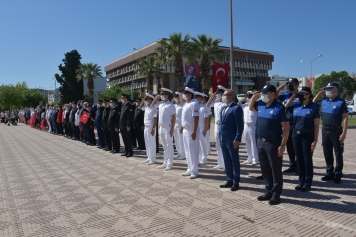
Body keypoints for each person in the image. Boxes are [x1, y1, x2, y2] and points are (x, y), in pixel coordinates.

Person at [249, 85, 289, 205]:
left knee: (275, 169)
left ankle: (276, 194)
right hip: (261, 140)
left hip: (273, 142)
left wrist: (282, 145)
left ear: (273, 94)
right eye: (262, 93)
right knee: (265, 168)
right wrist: (253, 98)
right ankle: (268, 190)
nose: (263, 95)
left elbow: (286, 128)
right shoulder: (260, 104)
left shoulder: (279, 108)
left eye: (265, 93)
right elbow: (251, 108)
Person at [285, 86, 320, 191]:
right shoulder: (296, 106)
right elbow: (284, 109)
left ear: (308, 95)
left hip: (307, 135)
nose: (299, 96)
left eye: (302, 94)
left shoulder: (314, 107)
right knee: (299, 159)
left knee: (307, 159)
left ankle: (307, 182)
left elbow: (316, 125)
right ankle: (301, 181)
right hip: (296, 135)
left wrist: (315, 140)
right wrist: (290, 100)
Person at [313, 82, 349, 184]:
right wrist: (319, 94)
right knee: (327, 152)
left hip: (336, 130)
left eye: (330, 89)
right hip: (325, 130)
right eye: (326, 89)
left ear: (336, 90)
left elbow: (345, 118)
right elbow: (312, 103)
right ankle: (330, 172)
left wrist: (344, 134)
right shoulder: (323, 101)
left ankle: (338, 173)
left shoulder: (340, 102)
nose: (327, 91)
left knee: (338, 153)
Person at [218, 89, 244, 191]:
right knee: (226, 160)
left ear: (231, 97)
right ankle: (229, 179)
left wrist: (237, 138)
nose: (223, 96)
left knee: (234, 160)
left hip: (232, 139)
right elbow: (221, 124)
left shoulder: (236, 108)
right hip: (223, 139)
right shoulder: (223, 108)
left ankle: (236, 181)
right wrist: (220, 137)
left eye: (225, 95)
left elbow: (239, 125)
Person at [277, 78, 300, 174]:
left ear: (297, 85)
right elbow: (275, 97)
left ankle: (299, 167)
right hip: (288, 123)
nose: (290, 85)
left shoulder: (301, 94)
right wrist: (279, 88)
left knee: (297, 147)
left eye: (292, 84)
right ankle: (292, 165)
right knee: (290, 146)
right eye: (289, 84)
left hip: (298, 123)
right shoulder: (286, 95)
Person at [180, 87, 200, 179]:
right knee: (187, 151)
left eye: (186, 93)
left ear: (190, 94)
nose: (184, 95)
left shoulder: (194, 103)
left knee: (193, 151)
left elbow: (196, 118)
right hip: (185, 129)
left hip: (191, 129)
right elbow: (184, 117)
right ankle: (189, 168)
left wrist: (194, 131)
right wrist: (182, 126)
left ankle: (194, 171)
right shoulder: (185, 104)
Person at [155, 88, 176, 171]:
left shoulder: (171, 105)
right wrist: (156, 98)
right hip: (161, 127)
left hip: (168, 127)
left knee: (169, 146)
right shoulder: (160, 105)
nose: (163, 96)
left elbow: (173, 117)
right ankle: (165, 161)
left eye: (165, 95)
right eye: (162, 94)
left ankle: (170, 163)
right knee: (164, 146)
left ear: (168, 96)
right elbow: (152, 104)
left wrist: (172, 129)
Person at [206, 85, 226, 171]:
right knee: (217, 145)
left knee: (223, 145)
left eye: (219, 93)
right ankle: (220, 163)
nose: (218, 95)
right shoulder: (216, 102)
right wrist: (211, 97)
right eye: (217, 93)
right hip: (216, 125)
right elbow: (207, 105)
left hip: (223, 125)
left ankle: (225, 164)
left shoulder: (226, 103)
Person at [238, 91, 259, 165]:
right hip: (246, 125)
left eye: (251, 97)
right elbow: (237, 106)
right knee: (247, 142)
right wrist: (241, 100)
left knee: (253, 143)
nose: (249, 98)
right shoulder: (245, 105)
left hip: (253, 125)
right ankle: (249, 157)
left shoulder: (256, 105)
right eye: (249, 97)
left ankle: (255, 159)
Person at [140, 93, 158, 165]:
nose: (146, 100)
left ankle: (153, 158)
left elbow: (155, 119)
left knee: (152, 143)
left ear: (151, 100)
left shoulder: (153, 107)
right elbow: (140, 107)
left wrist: (153, 128)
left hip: (151, 127)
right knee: (147, 142)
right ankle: (149, 157)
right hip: (146, 126)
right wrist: (143, 99)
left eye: (147, 99)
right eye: (146, 99)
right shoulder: (146, 107)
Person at [194, 92, 210, 165]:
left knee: (202, 143)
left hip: (201, 126)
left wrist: (205, 128)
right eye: (196, 98)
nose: (197, 99)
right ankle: (199, 157)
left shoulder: (204, 107)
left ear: (202, 98)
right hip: (196, 127)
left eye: (199, 98)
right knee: (197, 143)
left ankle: (204, 157)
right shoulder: (195, 106)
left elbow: (206, 119)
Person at [173, 92, 185, 160]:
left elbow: (183, 116)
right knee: (176, 139)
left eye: (177, 97)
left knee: (181, 139)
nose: (176, 98)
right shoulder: (175, 105)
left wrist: (182, 125)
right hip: (175, 123)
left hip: (180, 123)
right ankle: (179, 152)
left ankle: (183, 154)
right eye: (175, 97)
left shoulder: (182, 106)